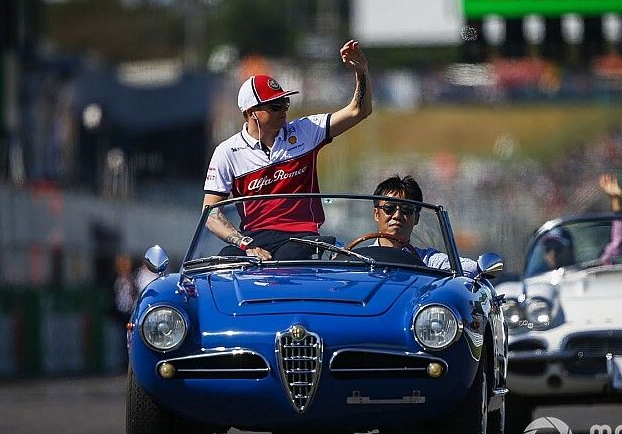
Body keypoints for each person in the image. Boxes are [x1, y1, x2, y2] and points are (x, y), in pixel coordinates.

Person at [203, 40, 372, 260]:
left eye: (285, 103)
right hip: (253, 238)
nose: (283, 110)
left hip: (301, 236)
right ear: (251, 112)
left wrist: (361, 70)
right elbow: (211, 214)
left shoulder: (306, 130)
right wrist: (244, 244)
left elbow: (359, 110)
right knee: (225, 261)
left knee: (286, 261)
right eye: (275, 106)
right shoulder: (227, 152)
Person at [370, 175, 479, 277]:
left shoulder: (427, 261)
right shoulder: (357, 259)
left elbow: (470, 269)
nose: (397, 215)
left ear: (416, 218)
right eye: (389, 208)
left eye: (406, 210)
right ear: (376, 214)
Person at [537, 173, 622, 272]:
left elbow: (617, 245)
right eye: (548, 249)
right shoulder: (536, 279)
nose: (552, 254)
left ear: (570, 251)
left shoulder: (585, 274)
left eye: (558, 249)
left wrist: (617, 203)